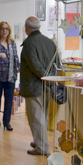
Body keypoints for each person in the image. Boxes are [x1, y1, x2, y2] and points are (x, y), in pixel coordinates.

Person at [20, 16, 58, 156]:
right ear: (39, 27)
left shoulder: (29, 43)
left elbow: (34, 64)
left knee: (36, 118)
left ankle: (42, 148)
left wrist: (46, 78)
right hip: (47, 86)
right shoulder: (50, 42)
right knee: (43, 117)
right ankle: (39, 141)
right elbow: (57, 63)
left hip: (34, 86)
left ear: (26, 27)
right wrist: (51, 79)